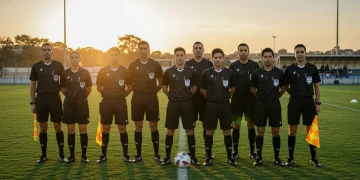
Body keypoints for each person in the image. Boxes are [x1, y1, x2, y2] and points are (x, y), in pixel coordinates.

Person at [284, 44, 322, 167]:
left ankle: (314, 158)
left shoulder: (312, 68)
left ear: (305, 53)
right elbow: (286, 87)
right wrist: (295, 94)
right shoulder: (289, 69)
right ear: (294, 54)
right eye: (297, 52)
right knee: (292, 130)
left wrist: (318, 102)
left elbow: (316, 86)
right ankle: (290, 158)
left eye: (302, 52)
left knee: (311, 130)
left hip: (309, 102)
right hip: (294, 102)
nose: (300, 54)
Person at [161, 47, 200, 165]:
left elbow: (194, 88)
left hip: (187, 104)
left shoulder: (190, 71)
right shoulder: (168, 72)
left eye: (181, 55)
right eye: (177, 55)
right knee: (170, 130)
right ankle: (167, 157)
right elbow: (164, 88)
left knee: (190, 130)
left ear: (185, 57)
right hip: (173, 104)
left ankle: (193, 156)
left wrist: (186, 96)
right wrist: (173, 96)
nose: (179, 57)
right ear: (174, 57)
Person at [29, 43, 66, 163]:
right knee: (43, 127)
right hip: (41, 99)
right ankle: (43, 155)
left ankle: (61, 155)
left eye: (48, 50)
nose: (46, 52)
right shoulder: (36, 66)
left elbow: (64, 82)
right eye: (44, 50)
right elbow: (33, 85)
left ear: (52, 51)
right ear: (41, 52)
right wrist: (32, 102)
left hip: (55, 99)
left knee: (57, 126)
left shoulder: (58, 65)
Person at [96, 47, 133, 163]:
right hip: (106, 102)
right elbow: (98, 87)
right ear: (109, 56)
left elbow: (130, 86)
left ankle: (126, 155)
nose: (114, 57)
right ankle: (103, 155)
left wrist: (122, 95)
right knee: (106, 128)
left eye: (116, 55)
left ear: (119, 56)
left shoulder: (125, 71)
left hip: (120, 102)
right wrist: (107, 95)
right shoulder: (102, 71)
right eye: (111, 55)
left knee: (122, 128)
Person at [128, 41, 163, 163]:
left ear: (149, 50)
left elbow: (161, 81)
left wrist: (153, 91)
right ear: (138, 50)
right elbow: (129, 82)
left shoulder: (155, 64)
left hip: (151, 99)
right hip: (137, 98)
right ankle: (138, 154)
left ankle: (157, 154)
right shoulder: (132, 65)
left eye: (145, 48)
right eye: (141, 48)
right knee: (138, 126)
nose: (143, 50)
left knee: (153, 126)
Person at [250, 48, 286, 166]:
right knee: (260, 131)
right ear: (262, 58)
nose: (267, 59)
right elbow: (252, 89)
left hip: (275, 105)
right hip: (260, 104)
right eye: (265, 57)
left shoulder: (279, 73)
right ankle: (259, 157)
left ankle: (276, 157)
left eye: (269, 56)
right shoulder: (257, 73)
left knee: (275, 131)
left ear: (273, 58)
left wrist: (275, 97)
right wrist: (261, 98)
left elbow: (283, 88)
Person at [201, 48, 237, 166]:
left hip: (225, 106)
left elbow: (233, 89)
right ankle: (208, 157)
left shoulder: (229, 73)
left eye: (220, 57)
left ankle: (229, 157)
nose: (218, 60)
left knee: (227, 131)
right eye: (215, 58)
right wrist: (212, 98)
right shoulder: (206, 73)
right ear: (212, 59)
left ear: (223, 58)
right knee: (210, 131)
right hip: (211, 105)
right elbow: (202, 89)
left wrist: (224, 97)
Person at [60, 51, 92, 163]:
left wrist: (81, 98)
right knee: (71, 129)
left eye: (76, 57)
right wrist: (70, 97)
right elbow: (63, 88)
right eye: (72, 57)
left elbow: (89, 88)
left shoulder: (85, 72)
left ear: (79, 59)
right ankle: (72, 156)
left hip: (82, 104)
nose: (74, 59)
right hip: (69, 104)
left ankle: (84, 156)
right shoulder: (64, 73)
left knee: (83, 129)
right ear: (69, 59)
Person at [229, 43, 259, 160]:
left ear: (248, 52)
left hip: (250, 101)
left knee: (250, 125)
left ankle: (252, 151)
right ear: (238, 52)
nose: (243, 52)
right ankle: (235, 152)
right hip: (236, 101)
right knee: (236, 125)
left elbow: (258, 82)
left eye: (245, 50)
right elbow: (230, 84)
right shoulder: (233, 66)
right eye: (241, 50)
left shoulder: (254, 65)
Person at [185, 42, 213, 144]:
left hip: (205, 99)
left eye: (200, 48)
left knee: (206, 125)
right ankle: (192, 151)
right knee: (190, 125)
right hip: (191, 100)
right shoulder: (187, 64)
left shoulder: (209, 64)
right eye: (196, 48)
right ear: (192, 50)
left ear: (203, 50)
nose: (198, 50)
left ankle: (207, 150)